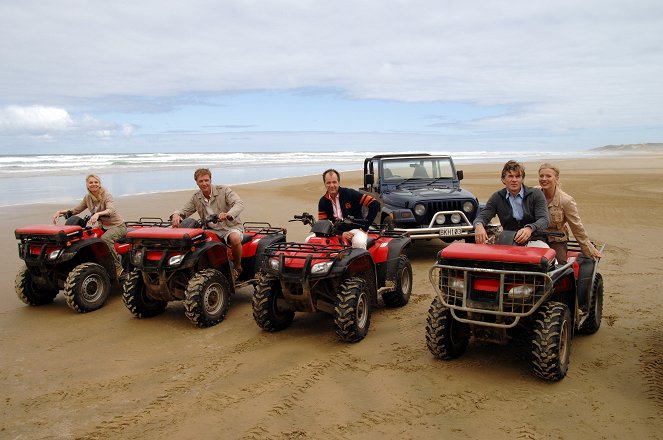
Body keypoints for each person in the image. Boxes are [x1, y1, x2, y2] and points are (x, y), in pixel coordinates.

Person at [170, 168, 245, 278]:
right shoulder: (196, 197)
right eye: (201, 181)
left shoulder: (223, 190)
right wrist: (176, 214)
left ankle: (237, 267)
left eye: (206, 180)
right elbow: (185, 210)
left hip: (229, 227)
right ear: (197, 182)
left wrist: (228, 214)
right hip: (210, 229)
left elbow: (239, 203)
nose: (204, 184)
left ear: (210, 180)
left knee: (235, 239)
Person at [52, 174, 127, 278]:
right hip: (103, 227)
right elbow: (76, 210)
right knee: (90, 238)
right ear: (87, 185)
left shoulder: (106, 195)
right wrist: (60, 212)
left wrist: (97, 214)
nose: (93, 184)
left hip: (117, 226)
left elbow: (111, 210)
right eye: (91, 182)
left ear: (99, 184)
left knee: (105, 240)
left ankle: (118, 268)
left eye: (96, 182)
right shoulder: (88, 198)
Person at [538, 163, 602, 264]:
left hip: (556, 239)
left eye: (548, 176)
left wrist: (587, 247)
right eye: (541, 176)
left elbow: (576, 226)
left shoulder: (566, 201)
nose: (544, 179)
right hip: (535, 237)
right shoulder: (533, 194)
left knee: (558, 265)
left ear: (557, 178)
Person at [473, 160, 549, 245]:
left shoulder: (535, 194)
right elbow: (483, 216)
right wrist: (478, 225)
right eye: (510, 176)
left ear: (522, 179)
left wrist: (529, 228)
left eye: (517, 176)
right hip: (508, 240)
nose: (514, 180)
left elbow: (544, 220)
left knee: (543, 256)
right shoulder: (497, 197)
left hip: (535, 239)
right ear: (503, 179)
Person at [318, 168, 380, 249]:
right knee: (309, 240)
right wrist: (340, 233)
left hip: (356, 230)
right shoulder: (323, 201)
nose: (332, 185)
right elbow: (324, 225)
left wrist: (365, 226)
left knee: (359, 242)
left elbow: (375, 204)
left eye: (334, 182)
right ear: (325, 184)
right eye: (328, 183)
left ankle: (361, 261)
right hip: (335, 232)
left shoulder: (350, 194)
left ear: (338, 182)